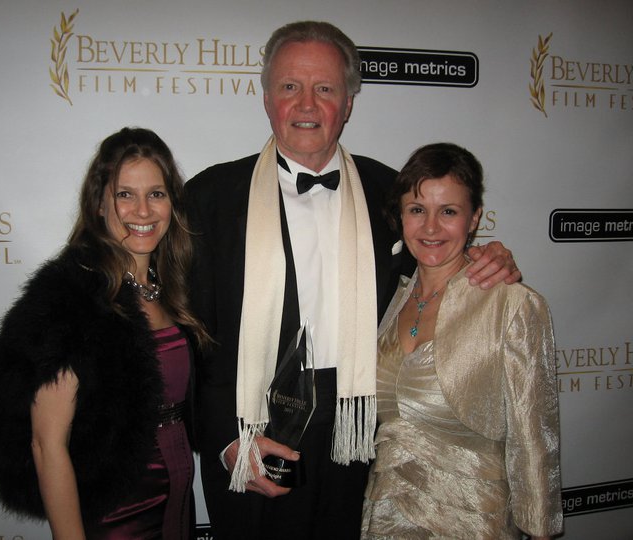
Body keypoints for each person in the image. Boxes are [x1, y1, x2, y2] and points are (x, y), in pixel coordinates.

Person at [184, 21, 521, 540]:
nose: (306, 104)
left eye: (325, 89)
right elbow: (187, 340)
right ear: (266, 98)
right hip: (249, 431)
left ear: (347, 104)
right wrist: (227, 440)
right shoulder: (208, 197)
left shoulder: (392, 193)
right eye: (290, 87)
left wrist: (487, 260)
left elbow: (437, 269)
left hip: (362, 434)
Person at [0, 127, 210, 540]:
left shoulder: (172, 288)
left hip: (176, 498)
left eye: (156, 193)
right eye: (125, 194)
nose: (143, 211)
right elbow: (48, 447)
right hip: (115, 511)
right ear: (99, 204)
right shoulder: (72, 299)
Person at [361, 143, 562, 539]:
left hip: (474, 523)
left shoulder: (513, 306)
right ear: (401, 218)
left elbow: (535, 444)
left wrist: (538, 531)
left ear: (474, 220)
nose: (431, 228)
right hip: (386, 519)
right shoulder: (391, 295)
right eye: (417, 210)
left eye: (448, 211)